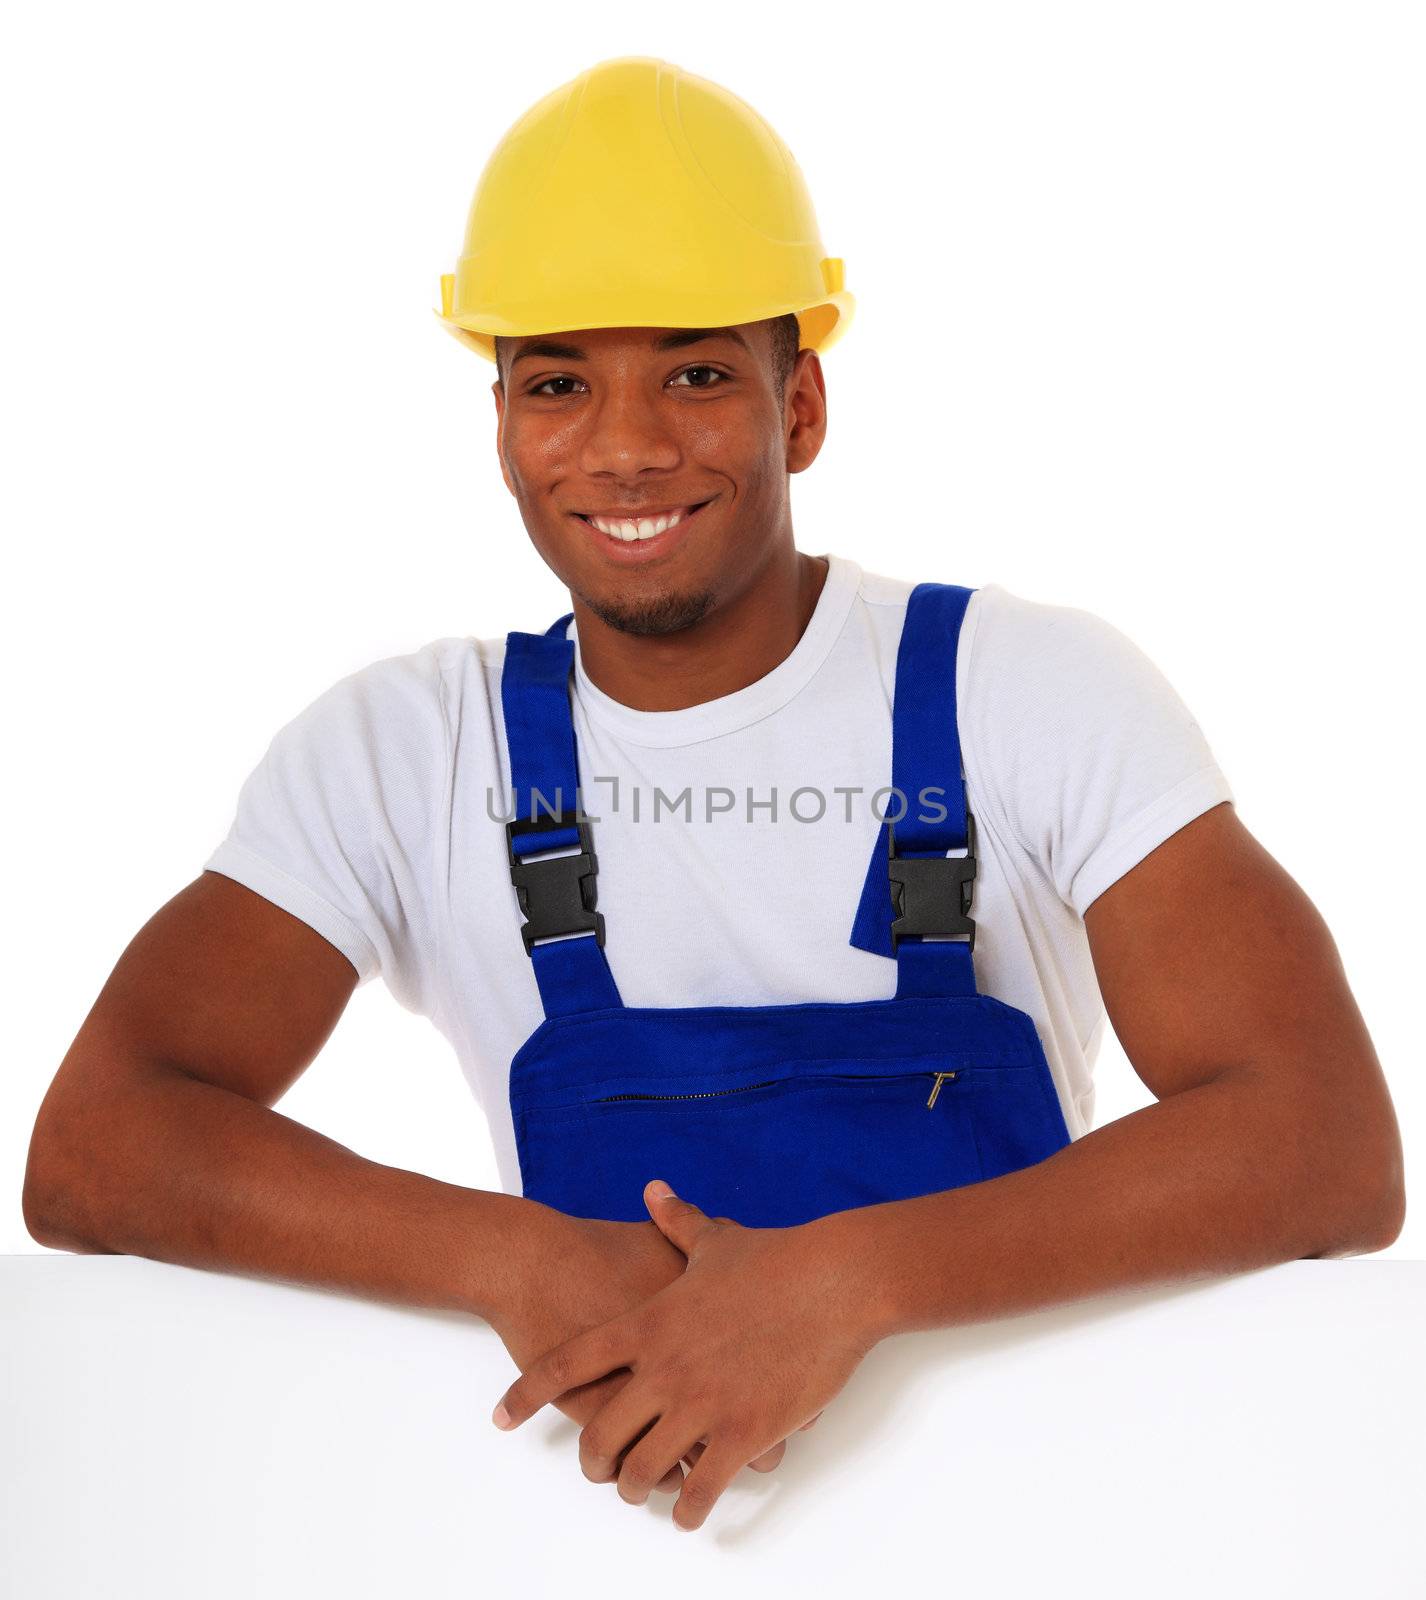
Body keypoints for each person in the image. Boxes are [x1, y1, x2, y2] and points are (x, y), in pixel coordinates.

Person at [24, 55, 1404, 1536]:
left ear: (797, 405)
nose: (624, 447)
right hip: (605, 1541)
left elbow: (1321, 1139)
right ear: (498, 421)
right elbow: (99, 1144)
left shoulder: (1027, 689)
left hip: (1046, 1512)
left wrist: (841, 1281)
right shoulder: (406, 749)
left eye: (694, 373)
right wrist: (519, 1258)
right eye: (557, 382)